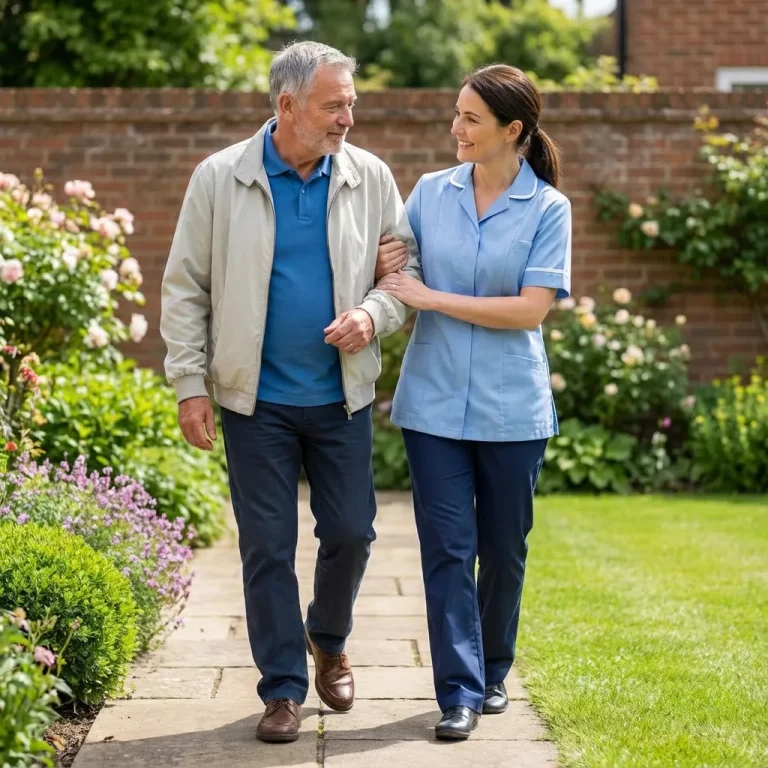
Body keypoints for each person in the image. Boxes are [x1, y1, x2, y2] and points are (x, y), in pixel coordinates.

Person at [160, 41, 421, 743]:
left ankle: (327, 638)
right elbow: (186, 289)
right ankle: (282, 689)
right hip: (256, 403)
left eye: (351, 104)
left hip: (341, 397)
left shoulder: (369, 178)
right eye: (334, 104)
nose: (347, 117)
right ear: (287, 105)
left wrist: (373, 314)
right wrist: (190, 383)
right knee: (267, 546)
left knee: (351, 532)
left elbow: (401, 275)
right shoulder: (220, 178)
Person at [375, 64, 571, 741]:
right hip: (431, 406)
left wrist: (431, 299)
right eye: (456, 114)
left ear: (512, 131)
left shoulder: (548, 209)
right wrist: (391, 285)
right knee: (448, 550)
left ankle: (492, 671)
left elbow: (529, 311)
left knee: (503, 549)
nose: (454, 128)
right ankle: (457, 691)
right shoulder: (429, 193)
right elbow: (397, 268)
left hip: (512, 409)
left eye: (470, 119)